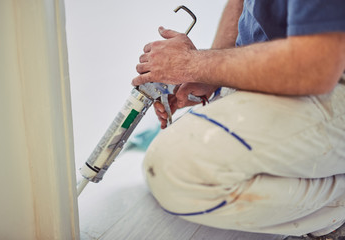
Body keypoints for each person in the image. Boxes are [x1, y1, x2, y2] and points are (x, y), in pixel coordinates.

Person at [132, 0, 345, 238]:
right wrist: (212, 72)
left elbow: (316, 65)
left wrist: (191, 63)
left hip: (330, 78)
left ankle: (334, 214)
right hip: (280, 68)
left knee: (175, 166)